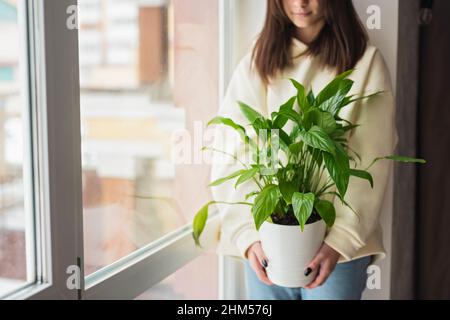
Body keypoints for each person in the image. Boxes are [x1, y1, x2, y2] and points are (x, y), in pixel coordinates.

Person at [210, 0, 398, 300]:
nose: (299, 2)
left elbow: (370, 159)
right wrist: (247, 236)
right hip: (268, 246)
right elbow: (232, 153)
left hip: (337, 254)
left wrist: (340, 242)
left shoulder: (365, 63)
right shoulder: (258, 61)